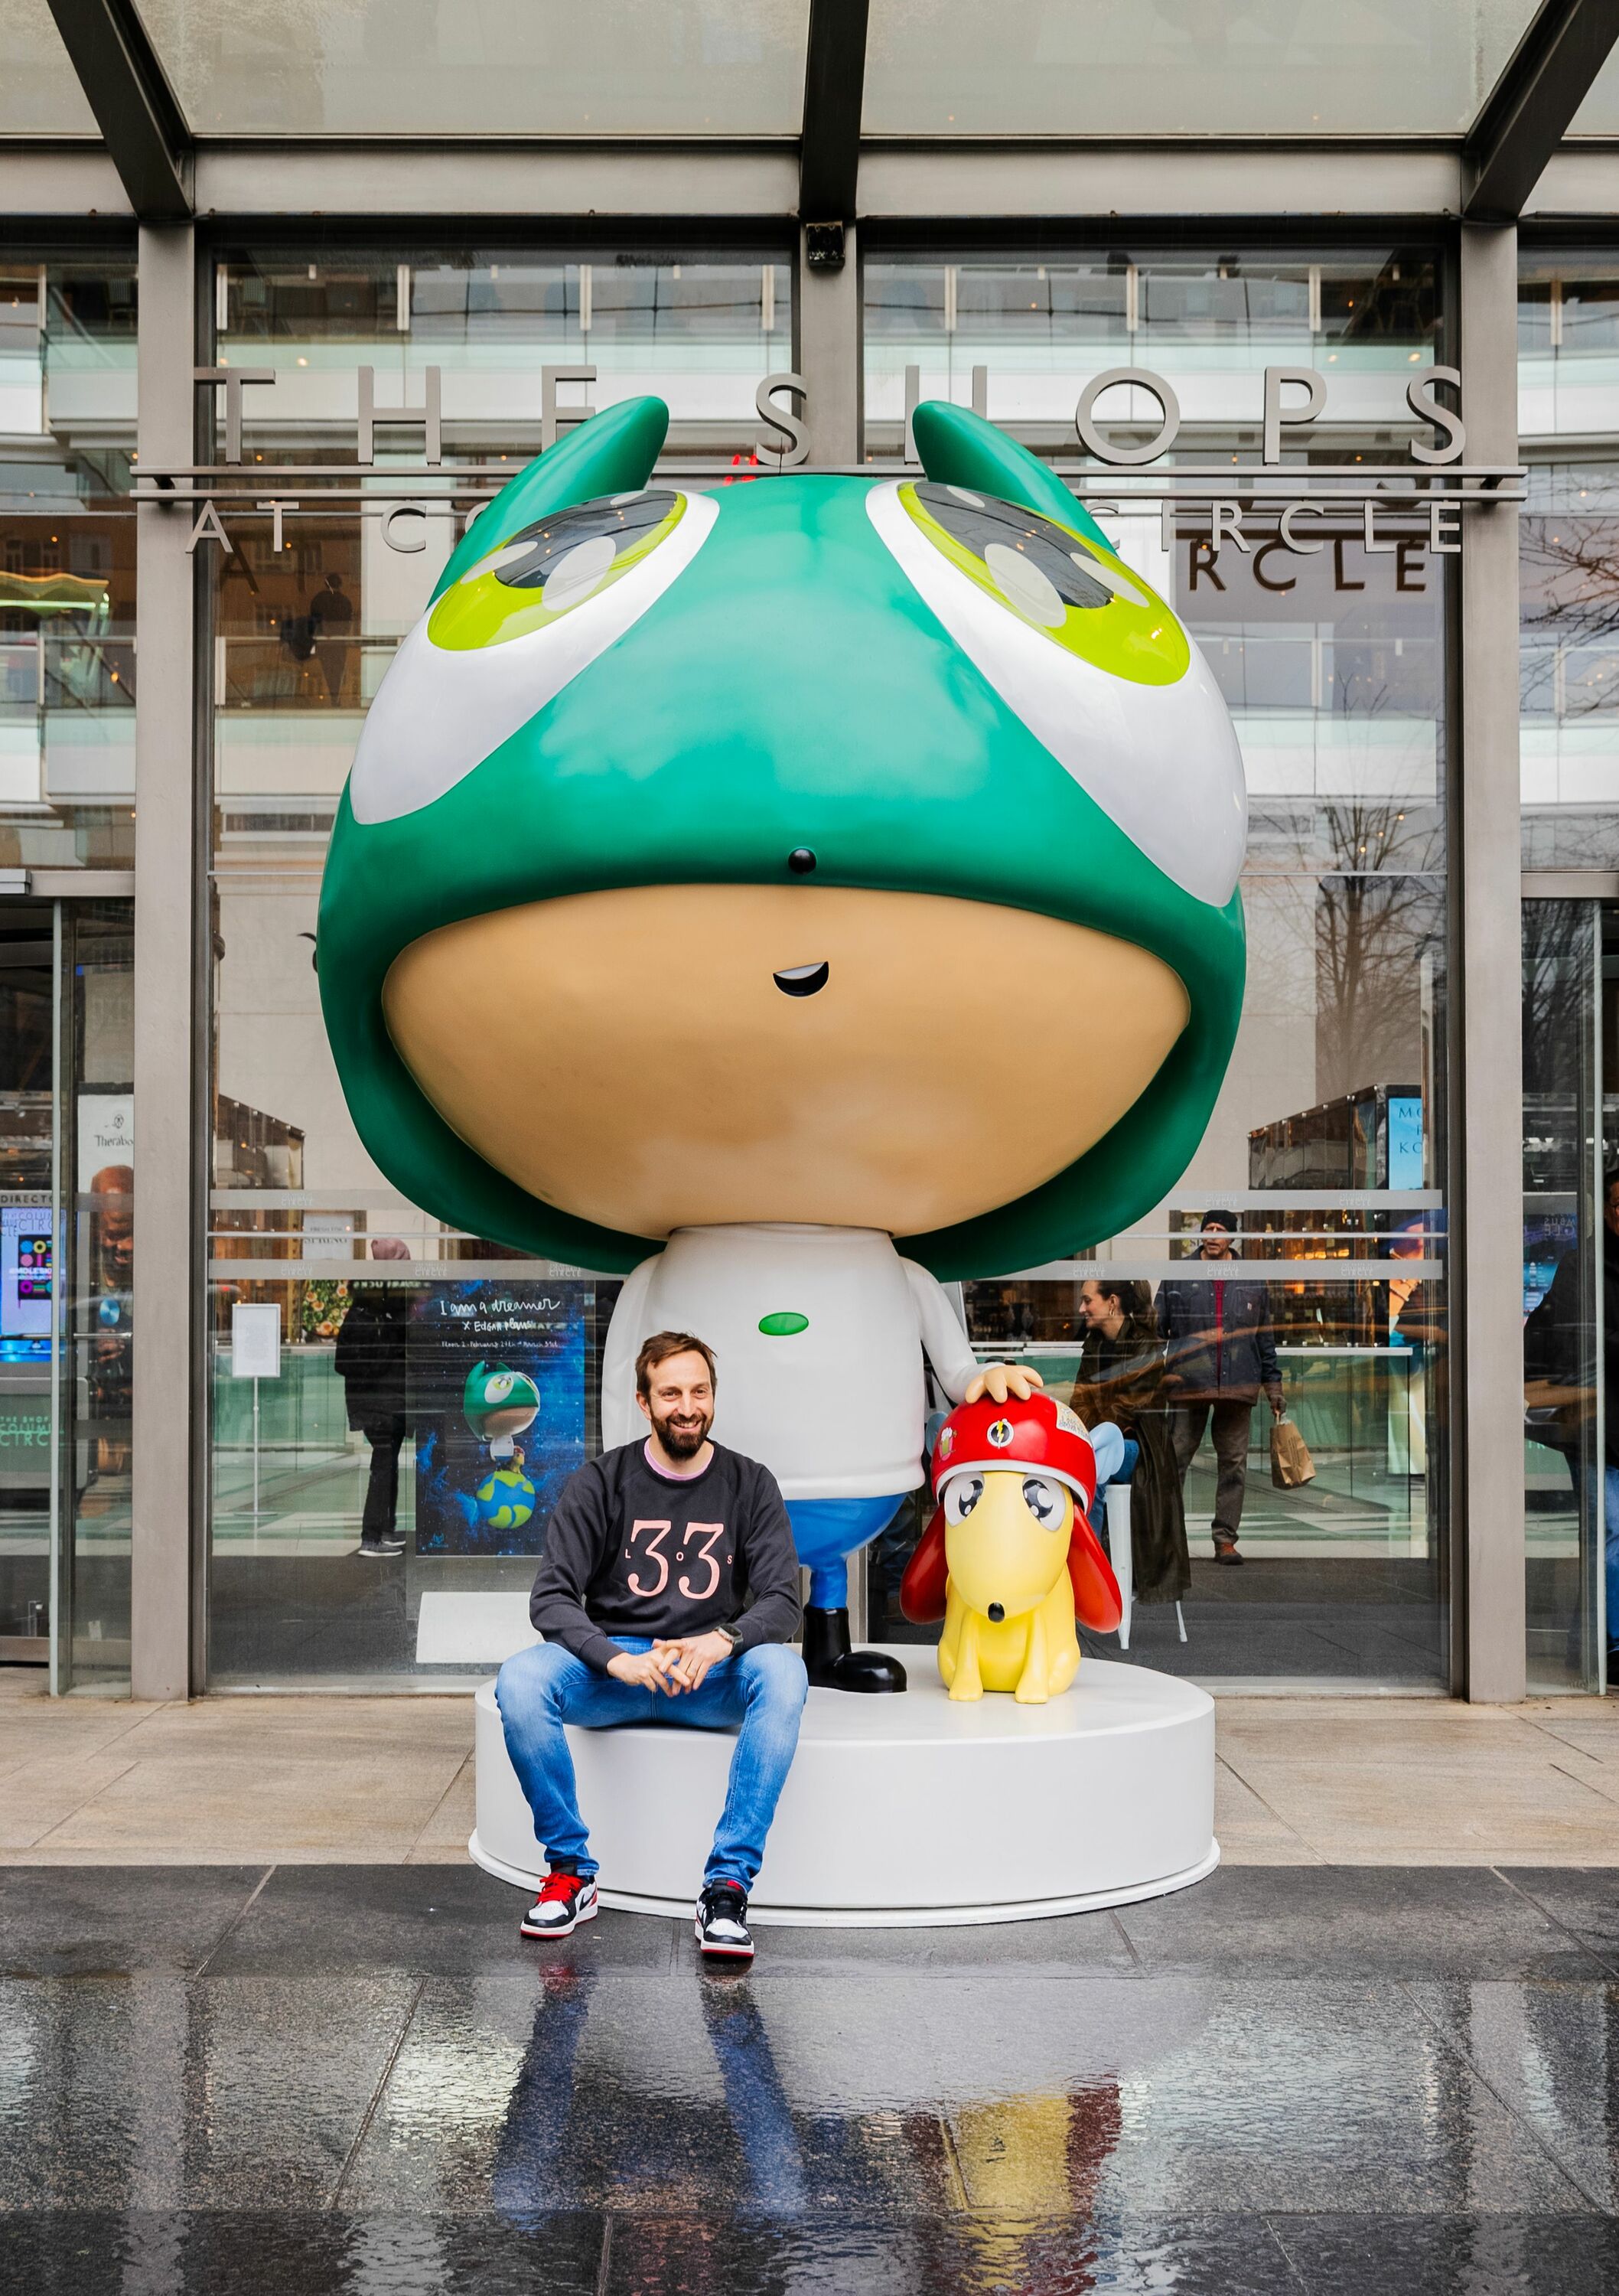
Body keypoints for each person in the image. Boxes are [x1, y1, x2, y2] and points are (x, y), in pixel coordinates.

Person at [496, 1329, 806, 1962]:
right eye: (670, 1393)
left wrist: (724, 1641)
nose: (687, 1406)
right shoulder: (601, 1482)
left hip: (709, 1674)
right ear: (644, 1402)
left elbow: (782, 1600)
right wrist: (617, 1660)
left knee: (782, 1673)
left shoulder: (750, 1484)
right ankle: (570, 1872)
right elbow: (550, 1598)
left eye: (699, 1391)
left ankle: (726, 1888)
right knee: (521, 1682)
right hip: (618, 1671)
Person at [1525, 1171, 1619, 1671]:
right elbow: (1574, 1340)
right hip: (1597, 1429)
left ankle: (1594, 1642)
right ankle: (1603, 1645)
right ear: (1605, 1209)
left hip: (1597, 1419)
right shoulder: (1583, 1267)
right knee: (1608, 1536)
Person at [1158, 1210, 1283, 1566]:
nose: (1212, 1235)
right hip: (1188, 1385)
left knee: (1234, 1466)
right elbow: (1157, 1330)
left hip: (1237, 1387)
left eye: (1220, 1230)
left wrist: (1274, 1388)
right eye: (1207, 1229)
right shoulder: (1178, 1277)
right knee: (1175, 1462)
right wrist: (1154, 1379)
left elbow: (1264, 1337)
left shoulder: (1252, 1279)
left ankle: (1225, 1540)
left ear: (1232, 1237)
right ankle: (1169, 1539)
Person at [1070, 1277, 1189, 1605]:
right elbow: (1078, 1401)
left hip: (1141, 1450)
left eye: (1087, 1300)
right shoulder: (1093, 1344)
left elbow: (1126, 1412)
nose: (1082, 1308)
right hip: (1103, 1442)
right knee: (1086, 1461)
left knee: (1094, 1464)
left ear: (1112, 1302)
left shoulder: (1146, 1347)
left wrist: (1094, 1425)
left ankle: (1085, 1567)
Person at [333, 1234, 414, 1558]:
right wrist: (393, 1346)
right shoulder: (377, 1312)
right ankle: (371, 1536)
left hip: (380, 1401)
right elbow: (353, 1361)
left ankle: (384, 1529)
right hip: (380, 1402)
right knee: (383, 1465)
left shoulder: (368, 1308)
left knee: (388, 1463)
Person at [308, 570, 355, 705]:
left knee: (328, 670)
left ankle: (333, 697)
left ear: (326, 584)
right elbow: (348, 623)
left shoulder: (319, 599)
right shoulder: (345, 601)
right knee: (338, 670)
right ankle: (336, 697)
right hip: (339, 642)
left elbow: (314, 621)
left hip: (324, 642)